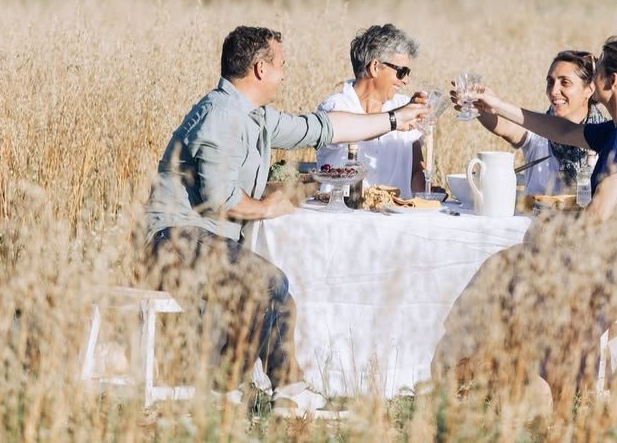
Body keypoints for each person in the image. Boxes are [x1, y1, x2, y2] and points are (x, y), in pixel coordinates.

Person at [143, 26, 427, 412]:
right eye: (280, 65)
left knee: (281, 299)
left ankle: (268, 393)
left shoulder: (254, 116)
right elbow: (220, 199)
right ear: (260, 68)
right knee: (268, 283)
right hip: (172, 239)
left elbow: (322, 128)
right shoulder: (221, 116)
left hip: (207, 241)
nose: (284, 74)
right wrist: (267, 207)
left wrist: (395, 120)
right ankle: (239, 390)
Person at [434, 36, 617, 416]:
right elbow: (557, 130)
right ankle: (524, 380)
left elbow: (598, 213)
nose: (592, 81)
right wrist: (496, 104)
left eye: (595, 74)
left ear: (609, 81)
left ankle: (556, 396)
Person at [475, 50, 607, 195]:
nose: (554, 90)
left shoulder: (605, 137)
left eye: (565, 82)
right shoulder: (537, 128)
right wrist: (478, 107)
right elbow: (505, 126)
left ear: (589, 89)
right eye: (550, 82)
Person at [315, 24, 425, 197]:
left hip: (397, 219)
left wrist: (428, 194)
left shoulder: (404, 105)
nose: (406, 81)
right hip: (342, 218)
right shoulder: (335, 107)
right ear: (375, 67)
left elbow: (416, 173)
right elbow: (346, 129)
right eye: (402, 72)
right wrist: (396, 120)